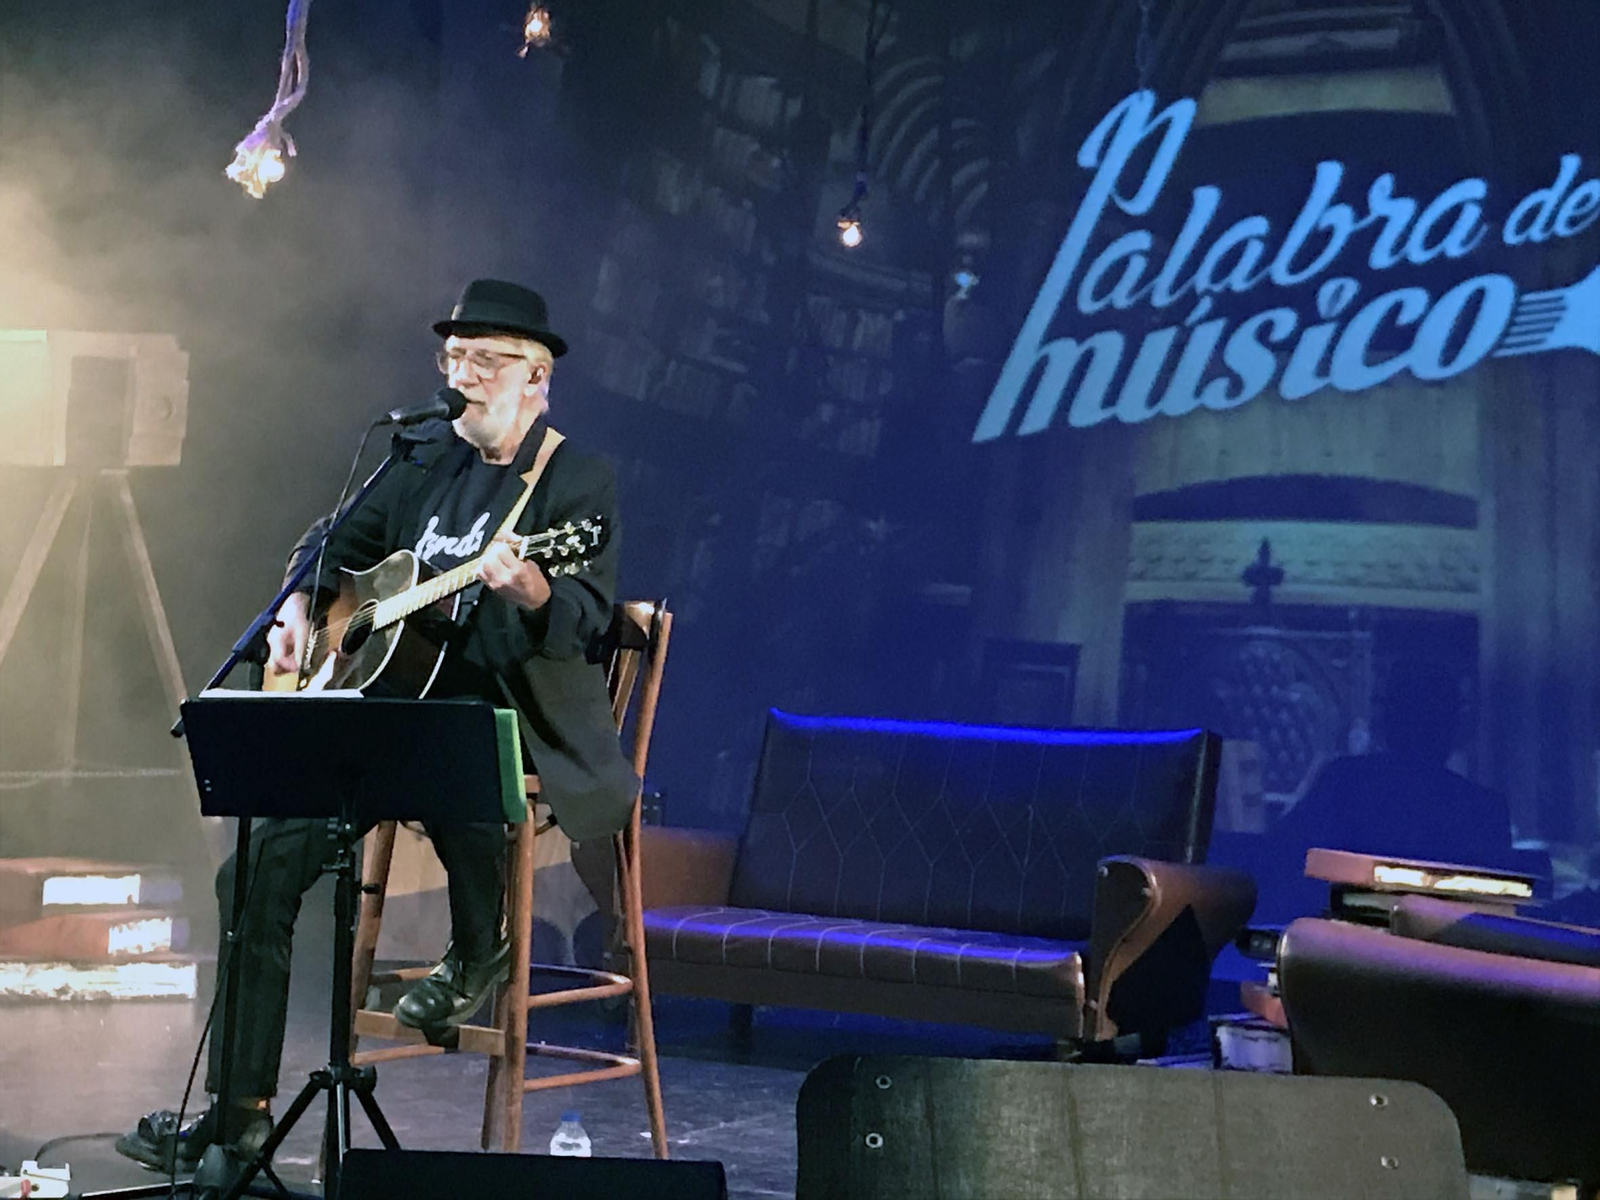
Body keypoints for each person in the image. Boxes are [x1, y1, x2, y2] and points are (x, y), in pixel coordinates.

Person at [116, 279, 638, 1172]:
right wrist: (300, 606)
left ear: (537, 378)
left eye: (486, 360)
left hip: (505, 724)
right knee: (252, 873)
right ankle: (237, 1118)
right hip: (387, 723)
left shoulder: (573, 480)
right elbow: (328, 544)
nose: (463, 376)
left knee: (457, 729)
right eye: (454, 357)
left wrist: (532, 587)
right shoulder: (424, 457)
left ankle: (478, 946)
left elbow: (588, 615)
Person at [1252, 658, 1519, 923]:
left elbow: (1278, 861)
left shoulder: (1344, 781)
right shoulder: (1485, 810)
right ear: (1455, 723)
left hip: (1342, 945)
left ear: (1387, 717)